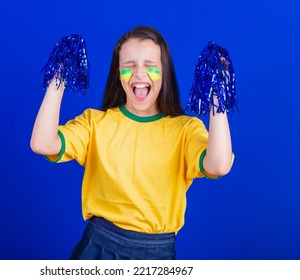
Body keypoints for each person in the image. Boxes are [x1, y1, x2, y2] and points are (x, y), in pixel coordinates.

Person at [30, 26, 234, 260]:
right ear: (118, 74)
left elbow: (219, 165)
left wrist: (217, 96)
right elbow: (42, 143)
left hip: (155, 255)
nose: (139, 74)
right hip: (97, 249)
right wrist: (58, 78)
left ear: (164, 72)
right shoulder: (95, 123)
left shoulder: (186, 130)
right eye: (129, 66)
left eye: (150, 66)